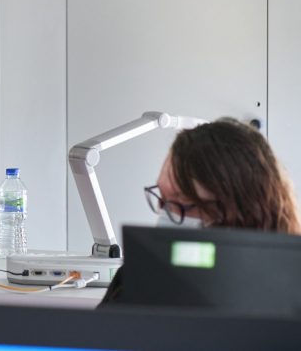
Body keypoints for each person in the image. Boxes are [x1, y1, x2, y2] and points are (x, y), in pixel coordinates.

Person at [99, 117, 301, 305]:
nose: (166, 213)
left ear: (236, 210)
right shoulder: (136, 277)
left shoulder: (287, 289)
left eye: (181, 201)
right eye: (162, 198)